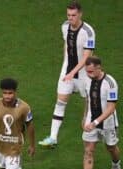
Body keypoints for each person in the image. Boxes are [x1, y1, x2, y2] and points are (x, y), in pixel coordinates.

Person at [39, 1, 96, 148]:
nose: (71, 18)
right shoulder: (64, 26)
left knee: (88, 100)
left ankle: (87, 120)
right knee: (60, 101)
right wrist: (66, 63)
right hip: (67, 71)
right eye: (68, 15)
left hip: (84, 74)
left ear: (80, 14)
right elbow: (66, 43)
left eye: (73, 15)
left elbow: (86, 57)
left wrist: (73, 72)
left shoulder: (88, 32)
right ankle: (53, 137)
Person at [74, 56, 121, 169]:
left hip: (107, 122)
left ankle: (116, 165)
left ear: (99, 68)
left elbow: (111, 107)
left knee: (111, 147)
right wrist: (84, 117)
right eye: (87, 71)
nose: (89, 74)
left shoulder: (110, 83)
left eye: (92, 71)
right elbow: (88, 100)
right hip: (91, 120)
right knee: (88, 150)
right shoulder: (87, 80)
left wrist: (95, 122)